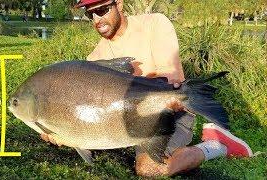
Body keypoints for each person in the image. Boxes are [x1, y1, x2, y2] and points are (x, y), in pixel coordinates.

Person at [41, 0, 253, 176]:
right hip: (126, 119)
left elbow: (173, 78)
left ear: (120, 4)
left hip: (170, 112)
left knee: (147, 168)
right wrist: (60, 130)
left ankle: (216, 145)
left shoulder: (154, 23)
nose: (97, 20)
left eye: (102, 10)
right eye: (91, 15)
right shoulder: (94, 59)